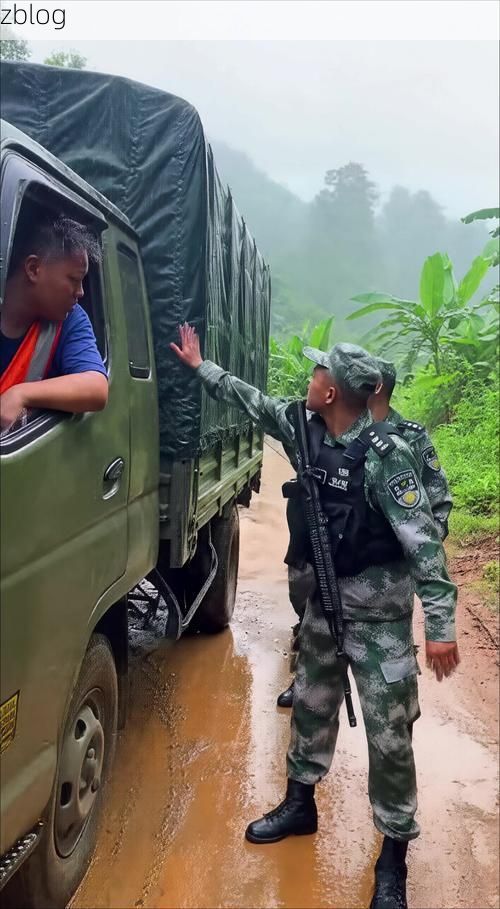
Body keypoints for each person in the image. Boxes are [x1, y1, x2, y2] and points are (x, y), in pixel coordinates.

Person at [171, 323, 459, 909]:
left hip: (379, 620)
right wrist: (201, 367)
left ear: (332, 392)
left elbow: (425, 543)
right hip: (327, 610)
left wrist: (440, 626)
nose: (309, 378)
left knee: (389, 736)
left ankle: (393, 858)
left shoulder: (389, 457)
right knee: (310, 703)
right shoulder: (303, 430)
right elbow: (248, 398)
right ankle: (300, 804)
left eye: (316, 372)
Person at [278, 356, 454, 711]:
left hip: (380, 578)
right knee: (316, 621)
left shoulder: (404, 438)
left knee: (386, 682)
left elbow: (435, 507)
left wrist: (401, 555)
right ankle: (307, 681)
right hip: (326, 555)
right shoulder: (327, 428)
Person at [0, 214, 108, 434]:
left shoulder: (71, 319)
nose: (80, 292)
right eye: (73, 280)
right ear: (33, 269)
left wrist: (21, 394)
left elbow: (96, 388)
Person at [369, 357, 452, 541]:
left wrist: (422, 552)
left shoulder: (411, 436)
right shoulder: (348, 434)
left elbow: (438, 500)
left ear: (377, 387)